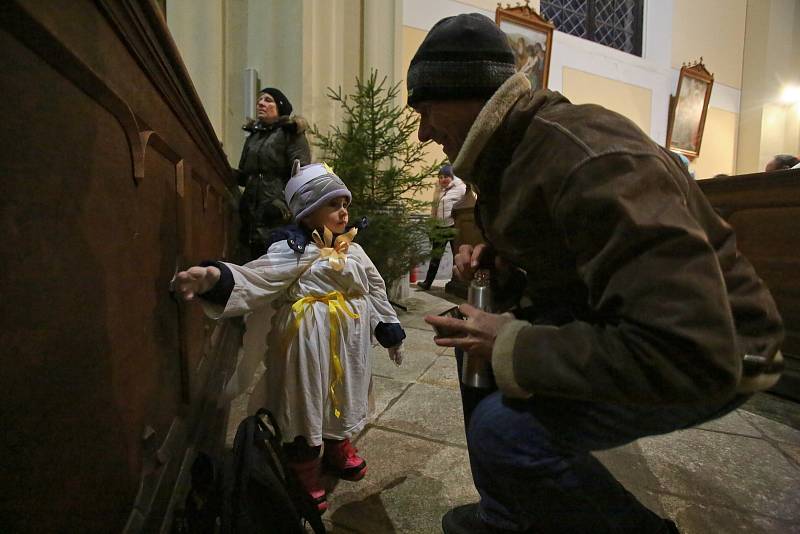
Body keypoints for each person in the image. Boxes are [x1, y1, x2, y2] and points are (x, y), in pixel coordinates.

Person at [409, 13, 784, 533]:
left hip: (730, 351)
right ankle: (509, 515)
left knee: (505, 433)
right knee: (476, 347)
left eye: (427, 110)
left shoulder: (586, 157)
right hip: (653, 331)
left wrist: (514, 342)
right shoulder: (512, 153)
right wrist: (503, 273)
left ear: (471, 91)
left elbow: (692, 347)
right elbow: (573, 271)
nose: (425, 131)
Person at [173, 161, 406, 512]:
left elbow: (374, 287)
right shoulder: (292, 250)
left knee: (346, 390)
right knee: (305, 398)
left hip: (350, 341)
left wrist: (387, 327)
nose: (343, 211)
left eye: (345, 204)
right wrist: (212, 278)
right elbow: (255, 278)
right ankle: (304, 462)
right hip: (306, 342)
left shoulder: (353, 250)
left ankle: (337, 443)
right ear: (308, 213)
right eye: (333, 204)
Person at [236, 87, 311, 261]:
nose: (261, 103)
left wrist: (281, 204)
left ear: (280, 107)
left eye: (268, 100)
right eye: (260, 100)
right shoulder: (253, 137)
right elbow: (243, 175)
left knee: (273, 260)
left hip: (276, 213)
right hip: (250, 211)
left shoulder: (291, 134)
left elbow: (301, 175)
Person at [417, 164, 467, 290]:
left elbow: (468, 201)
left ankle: (457, 282)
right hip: (439, 227)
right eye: (440, 177)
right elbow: (434, 208)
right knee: (436, 256)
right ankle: (427, 283)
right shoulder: (439, 189)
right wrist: (432, 225)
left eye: (446, 177)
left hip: (453, 226)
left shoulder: (461, 188)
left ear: (452, 177)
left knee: (457, 256)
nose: (442, 179)